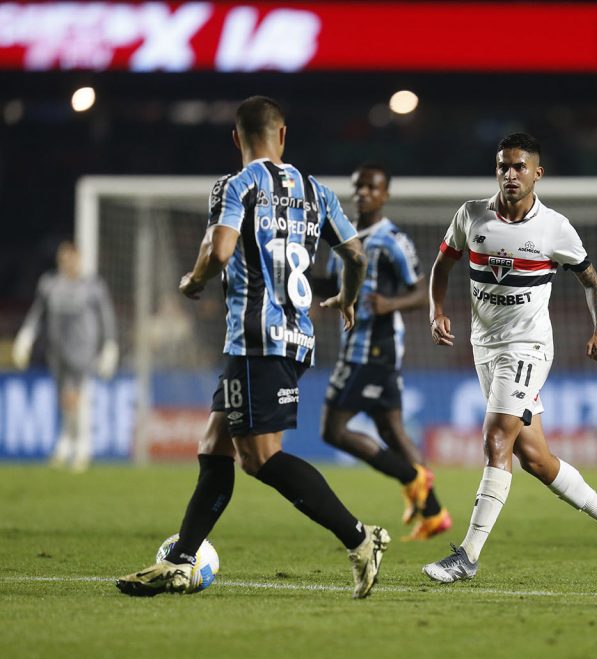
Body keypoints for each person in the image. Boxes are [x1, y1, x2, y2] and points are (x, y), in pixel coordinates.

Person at [116, 96, 389, 599]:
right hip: (296, 338)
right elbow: (356, 256)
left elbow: (218, 251)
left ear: (237, 138)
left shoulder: (236, 185)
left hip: (255, 339)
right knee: (213, 445)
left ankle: (360, 537)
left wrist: (192, 282)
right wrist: (348, 300)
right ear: (283, 136)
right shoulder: (319, 193)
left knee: (261, 458)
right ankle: (180, 561)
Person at [422, 132, 597, 583]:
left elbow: (591, 282)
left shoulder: (554, 228)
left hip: (528, 346)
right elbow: (443, 265)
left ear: (538, 173)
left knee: (496, 438)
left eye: (520, 167)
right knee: (535, 457)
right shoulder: (471, 215)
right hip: (485, 345)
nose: (510, 174)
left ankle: (468, 556)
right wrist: (436, 310)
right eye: (503, 166)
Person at [320, 163, 451, 540]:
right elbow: (332, 282)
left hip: (374, 347)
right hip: (355, 342)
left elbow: (422, 289)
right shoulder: (343, 235)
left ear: (385, 194)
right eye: (358, 186)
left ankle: (413, 477)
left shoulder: (392, 238)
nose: (363, 193)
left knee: (332, 430)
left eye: (372, 187)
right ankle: (434, 513)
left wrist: (389, 305)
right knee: (391, 430)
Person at [12, 241, 118, 472]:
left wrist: (109, 345)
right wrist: (26, 336)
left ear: (78, 260)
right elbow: (38, 312)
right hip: (57, 349)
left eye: (71, 258)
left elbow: (106, 316)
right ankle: (66, 440)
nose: (67, 263)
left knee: (77, 395)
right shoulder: (50, 284)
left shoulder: (92, 286)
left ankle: (81, 445)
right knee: (65, 397)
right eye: (63, 259)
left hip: (83, 348)